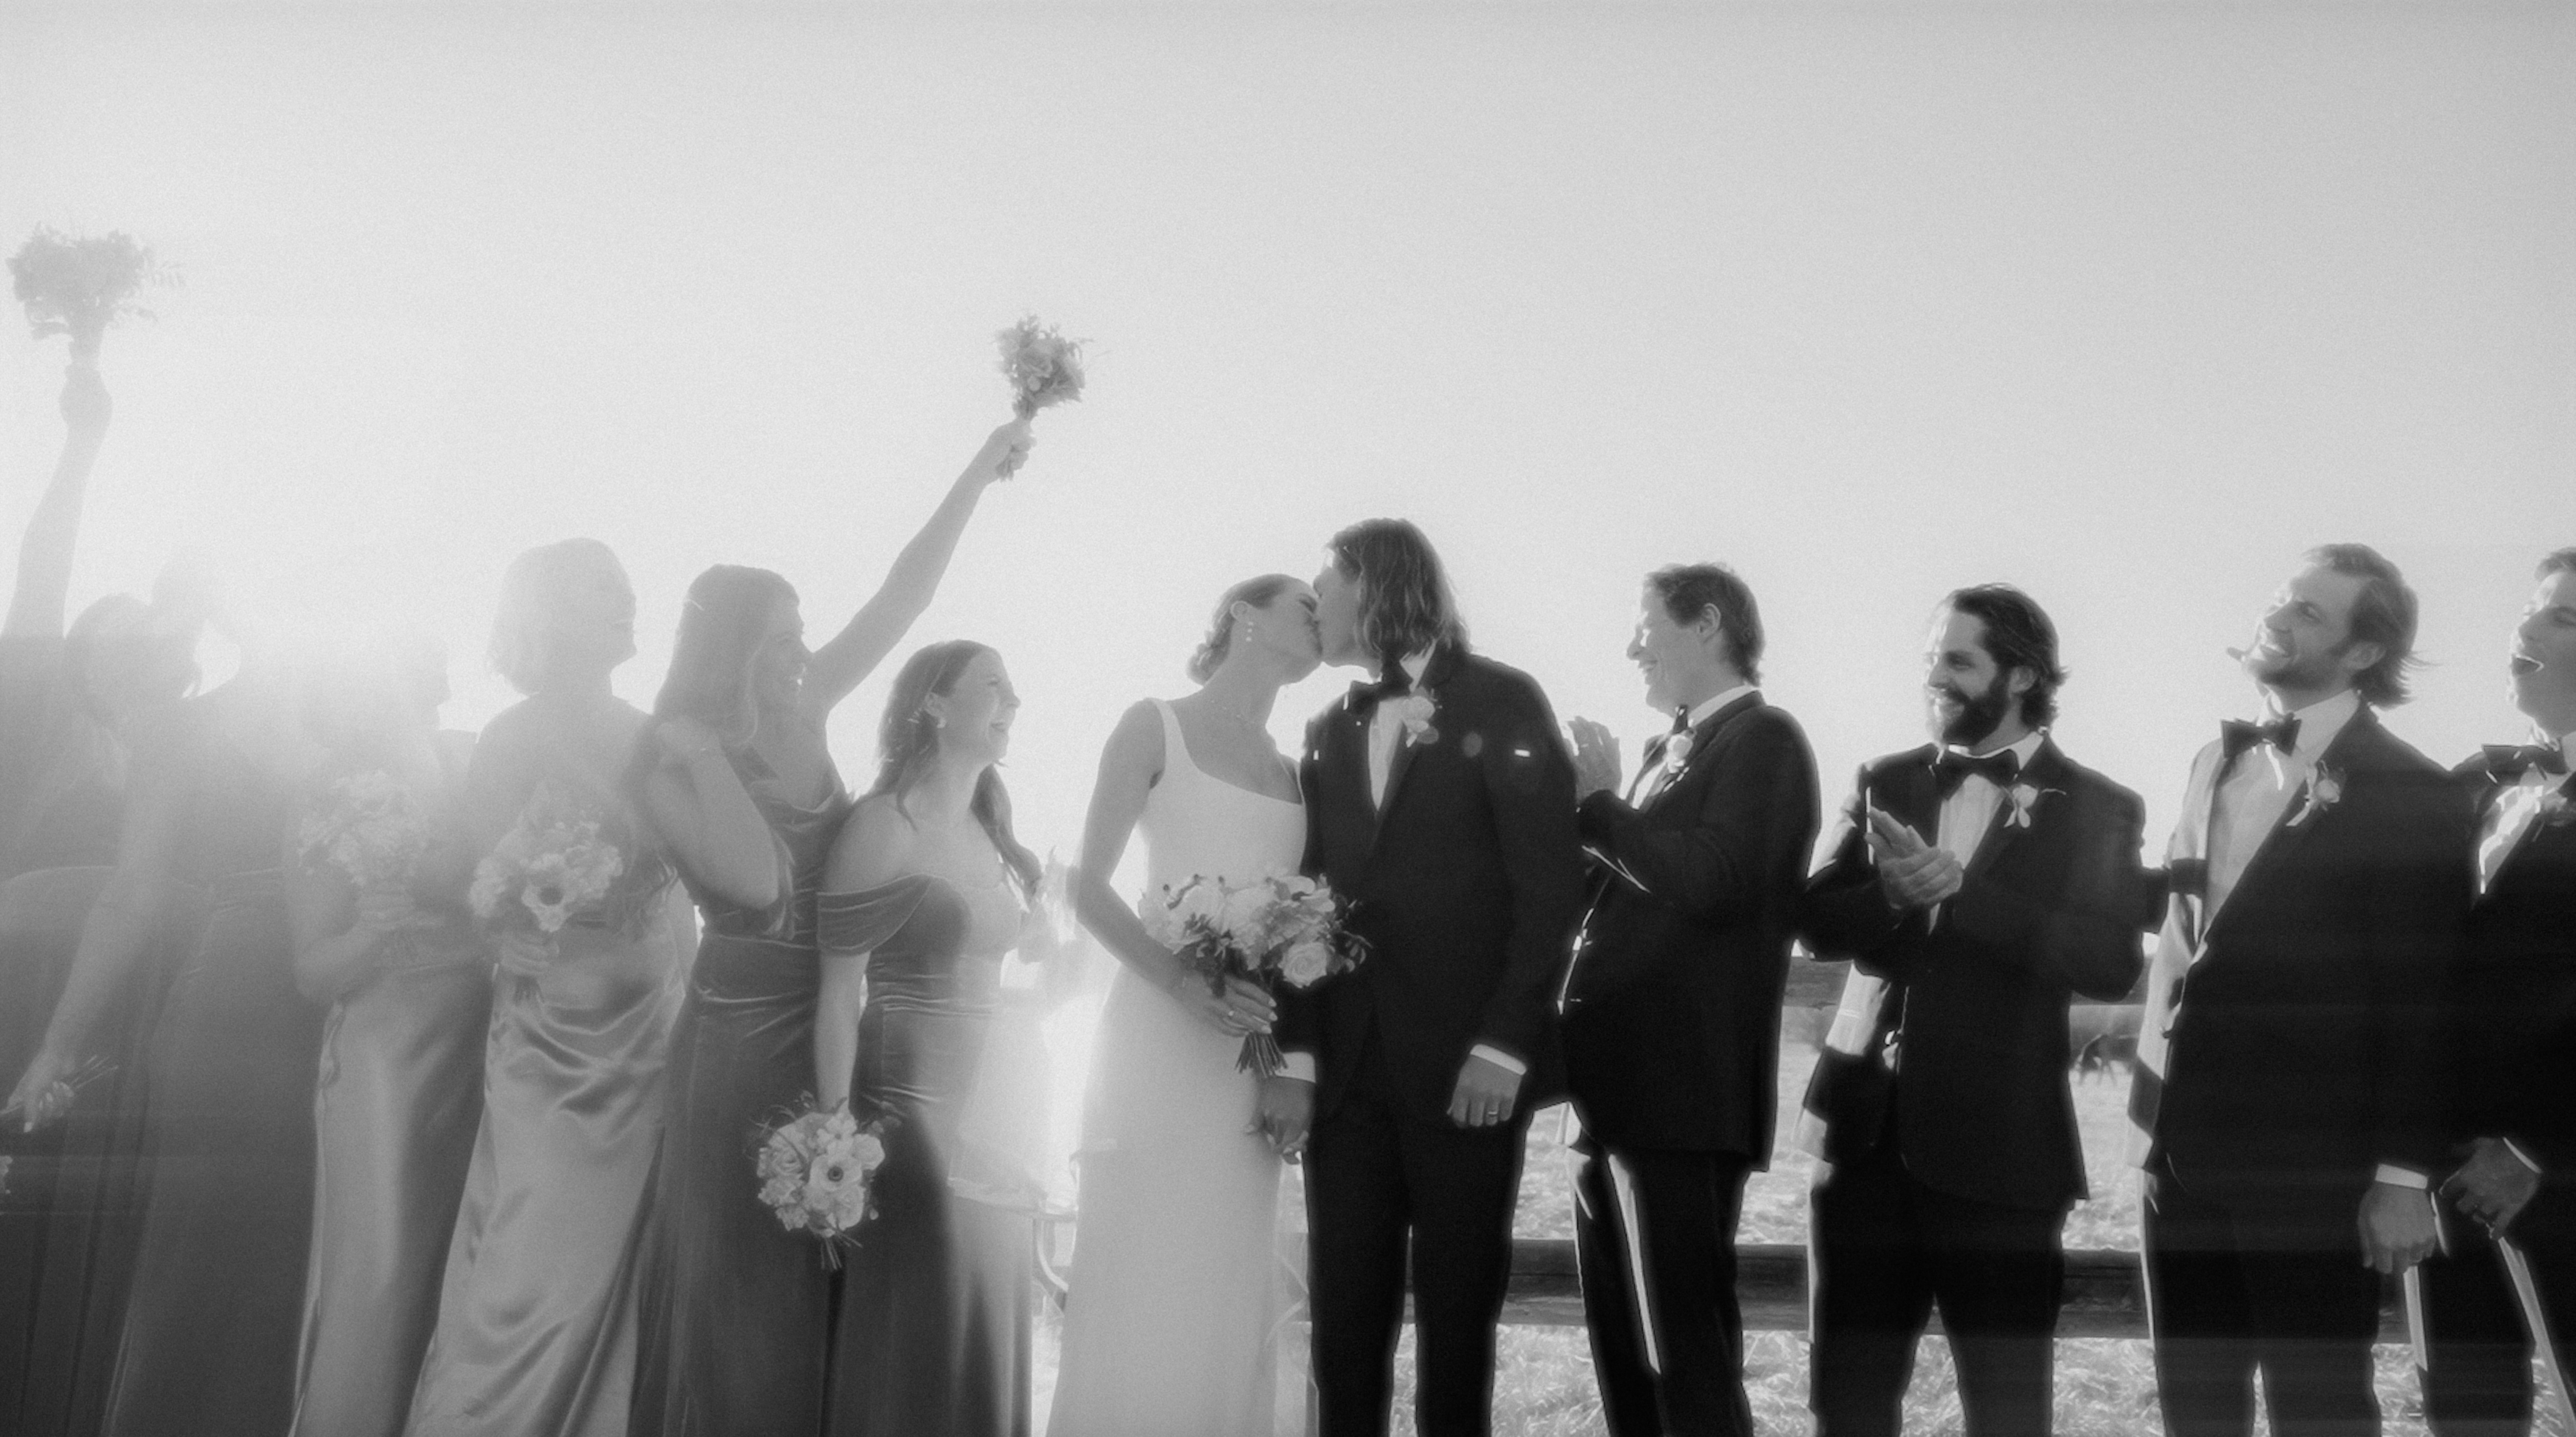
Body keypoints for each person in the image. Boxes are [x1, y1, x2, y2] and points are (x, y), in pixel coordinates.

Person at [631, 417, 1035, 1437]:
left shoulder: (811, 704)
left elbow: (906, 592)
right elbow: (761, 887)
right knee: (744, 1285)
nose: (802, 651)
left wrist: (978, 470)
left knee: (834, 1277)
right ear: (733, 647)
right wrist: (713, 758)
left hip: (835, 1026)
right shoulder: (666, 758)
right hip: (735, 1042)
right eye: (778, 637)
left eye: (800, 630)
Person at [2131, 544, 2474, 1437]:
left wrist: (2403, 1178)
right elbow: (2191, 932)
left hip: (2315, 1172)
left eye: (2310, 614)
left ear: (2363, 654)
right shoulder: (2215, 761)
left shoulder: (2415, 793)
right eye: (2282, 601)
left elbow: (2425, 1001)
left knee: (2317, 1413)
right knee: (2193, 1414)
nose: (2278, 619)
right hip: (2180, 1156)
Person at [1798, 584, 2148, 1437]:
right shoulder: (1885, 780)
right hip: (1862, 1146)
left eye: (1959, 662)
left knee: (2006, 1411)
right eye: (1932, 663)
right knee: (1845, 1406)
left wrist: (1967, 897)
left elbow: (2107, 961)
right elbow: (1814, 924)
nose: (1937, 679)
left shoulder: (2099, 806)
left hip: (2005, 1161)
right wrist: (1886, 893)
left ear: (2022, 676)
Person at [1270, 518, 1585, 1437]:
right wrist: (1295, 1057)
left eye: (1324, 587)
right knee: (1343, 1337)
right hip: (1350, 1081)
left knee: (1458, 1336)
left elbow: (1549, 889)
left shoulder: (1503, 699)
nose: (1312, 606)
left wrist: (1504, 1044)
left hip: (1466, 1079)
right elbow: (1303, 903)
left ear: (1374, 586)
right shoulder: (1328, 727)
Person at [401, 540, 706, 1437]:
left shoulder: (659, 731)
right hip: (559, 1040)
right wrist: (510, 933)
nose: (626, 599)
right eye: (600, 589)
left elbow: (692, 890)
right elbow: (484, 885)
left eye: (624, 583)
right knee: (533, 1273)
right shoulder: (514, 736)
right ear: (548, 614)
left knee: (641, 1274)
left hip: (660, 1026)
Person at [9, 617, 317, 1437]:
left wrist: (59, 1043)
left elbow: (137, 895)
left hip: (217, 985)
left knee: (208, 1242)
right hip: (228, 985)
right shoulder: (233, 722)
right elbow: (128, 894)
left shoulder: (203, 727)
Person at [1048, 574, 1322, 1437]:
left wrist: (1285, 1058)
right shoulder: (1153, 725)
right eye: (1305, 608)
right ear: (1244, 615)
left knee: (1225, 1281)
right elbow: (1085, 889)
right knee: (1142, 1270)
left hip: (1248, 1056)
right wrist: (1181, 983)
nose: (1322, 623)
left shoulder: (1297, 770)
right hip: (1157, 1042)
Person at [1559, 562, 1818, 1437]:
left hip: (1681, 1099)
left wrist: (1598, 807)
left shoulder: (1766, 743)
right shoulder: (1663, 751)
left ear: (1706, 625)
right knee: (1627, 1367)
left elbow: (1711, 882)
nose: (1632, 646)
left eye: (1645, 626)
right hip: (1606, 1099)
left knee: (1686, 1368)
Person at [813, 640, 1050, 1437]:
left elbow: (1023, 989)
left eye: (1014, 690)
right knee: (924, 1317)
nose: (1012, 703)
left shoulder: (998, 838)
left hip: (1000, 1115)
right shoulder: (885, 825)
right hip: (909, 1123)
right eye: (994, 686)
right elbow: (840, 991)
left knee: (989, 1313)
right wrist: (834, 1137)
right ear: (934, 706)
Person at [284, 643, 490, 1437]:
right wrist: (375, 924)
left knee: (470, 1263)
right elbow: (312, 969)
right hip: (387, 1058)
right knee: (381, 1274)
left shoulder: (470, 758)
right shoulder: (326, 799)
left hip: (495, 1035)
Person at [2420, 547, 2576, 1437]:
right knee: (2467, 1420)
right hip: (2449, 1181)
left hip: (2557, 1173)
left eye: (2564, 617)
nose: (2526, 626)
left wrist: (2532, 1149)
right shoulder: (2472, 785)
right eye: (2531, 607)